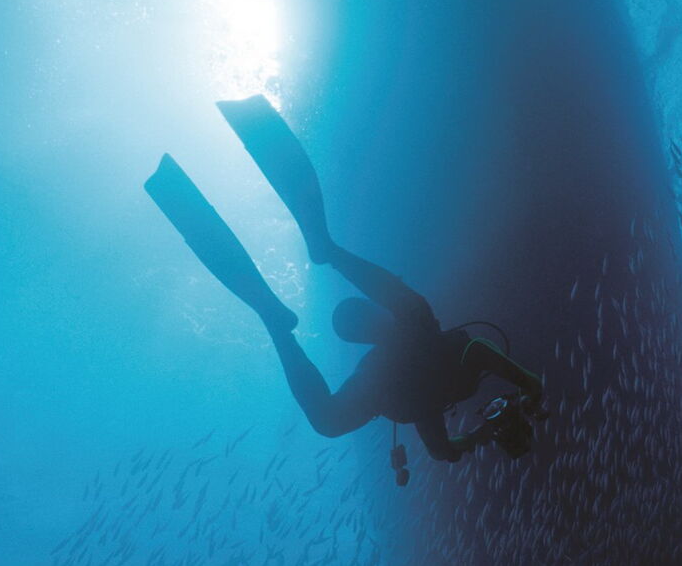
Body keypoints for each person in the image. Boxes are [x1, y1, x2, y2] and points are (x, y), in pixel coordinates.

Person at [146, 95, 543, 462]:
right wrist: (526, 385)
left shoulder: (433, 403)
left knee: (331, 420)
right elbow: (475, 351)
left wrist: (489, 425)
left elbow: (444, 449)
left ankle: (281, 312)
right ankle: (320, 260)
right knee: (414, 317)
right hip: (401, 349)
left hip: (387, 375)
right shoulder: (457, 375)